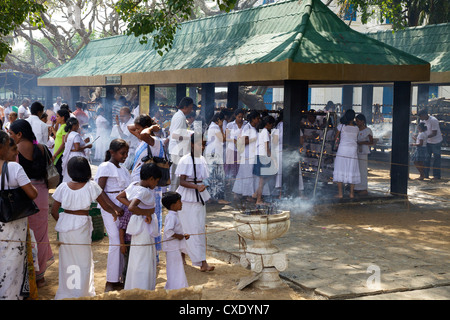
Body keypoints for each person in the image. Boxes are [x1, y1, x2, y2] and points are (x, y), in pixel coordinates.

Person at [51, 156, 119, 299]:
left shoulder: (63, 187)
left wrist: (64, 221)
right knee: (82, 260)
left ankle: (68, 292)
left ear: (69, 171)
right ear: (87, 171)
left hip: (65, 226)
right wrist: (114, 213)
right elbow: (105, 205)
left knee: (68, 260)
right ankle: (80, 293)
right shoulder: (91, 186)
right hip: (81, 226)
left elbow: (54, 210)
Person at [9, 119, 54, 287]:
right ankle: (40, 276)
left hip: (25, 197)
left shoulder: (14, 152)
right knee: (41, 236)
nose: (10, 136)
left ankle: (27, 276)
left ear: (19, 134)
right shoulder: (42, 148)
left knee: (27, 237)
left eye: (11, 134)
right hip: (42, 195)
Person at [0, 131, 38, 300]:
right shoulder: (14, 168)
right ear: (1, 148)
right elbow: (33, 194)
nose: (16, 152)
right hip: (14, 224)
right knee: (12, 265)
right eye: (12, 148)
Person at [116, 163, 162, 290]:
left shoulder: (133, 185)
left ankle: (133, 286)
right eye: (156, 181)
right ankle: (143, 288)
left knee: (137, 257)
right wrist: (145, 212)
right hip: (144, 226)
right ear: (151, 179)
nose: (156, 185)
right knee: (144, 258)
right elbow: (132, 207)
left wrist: (139, 210)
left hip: (137, 224)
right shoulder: (144, 191)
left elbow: (120, 196)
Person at [94, 139, 130, 292]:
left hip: (123, 208)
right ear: (112, 152)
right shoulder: (105, 167)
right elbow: (99, 191)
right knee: (116, 241)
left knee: (123, 241)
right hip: (110, 208)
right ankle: (111, 280)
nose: (125, 156)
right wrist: (113, 207)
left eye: (127, 153)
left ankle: (120, 277)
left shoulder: (123, 169)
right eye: (122, 153)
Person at [176, 133, 215, 272]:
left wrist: (202, 186)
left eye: (204, 144)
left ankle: (201, 260)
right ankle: (188, 258)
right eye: (200, 144)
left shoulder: (202, 159)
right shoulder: (186, 160)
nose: (202, 147)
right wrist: (197, 187)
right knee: (186, 227)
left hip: (199, 197)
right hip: (187, 198)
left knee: (198, 229)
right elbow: (182, 181)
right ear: (192, 145)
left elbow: (201, 179)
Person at [128, 115, 165, 258]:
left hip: (149, 186)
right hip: (141, 185)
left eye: (139, 129)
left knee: (149, 217)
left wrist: (150, 128)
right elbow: (130, 127)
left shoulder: (153, 141)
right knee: (141, 217)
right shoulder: (144, 138)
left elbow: (143, 134)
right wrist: (148, 125)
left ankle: (152, 254)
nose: (136, 132)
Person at [162, 191, 190, 290]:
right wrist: (178, 236)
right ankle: (177, 287)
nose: (181, 203)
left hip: (174, 247)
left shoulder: (174, 215)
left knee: (176, 267)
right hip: (172, 248)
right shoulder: (171, 217)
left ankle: (175, 286)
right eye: (179, 202)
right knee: (175, 268)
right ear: (173, 205)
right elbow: (168, 231)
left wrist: (182, 235)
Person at [232, 110, 260, 201]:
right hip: (247, 154)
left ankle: (237, 193)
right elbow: (243, 141)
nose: (259, 120)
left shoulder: (252, 127)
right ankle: (247, 195)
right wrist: (253, 140)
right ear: (253, 119)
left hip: (251, 154)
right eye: (257, 118)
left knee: (243, 173)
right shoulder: (247, 128)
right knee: (247, 174)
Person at [333, 109, 360, 199]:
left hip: (343, 149)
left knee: (340, 168)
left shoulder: (341, 126)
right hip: (353, 150)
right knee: (352, 169)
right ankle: (351, 193)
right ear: (353, 117)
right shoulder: (356, 128)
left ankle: (340, 193)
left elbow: (335, 137)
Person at [168, 97, 194, 191]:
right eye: (191, 107)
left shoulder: (179, 116)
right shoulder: (180, 117)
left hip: (177, 150)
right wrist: (189, 137)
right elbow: (175, 135)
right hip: (177, 150)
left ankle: (176, 195)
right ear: (186, 107)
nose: (191, 110)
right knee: (177, 175)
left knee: (177, 175)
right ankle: (173, 195)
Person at [204, 112, 229, 204]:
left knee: (212, 176)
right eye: (222, 120)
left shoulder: (211, 126)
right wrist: (221, 127)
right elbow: (223, 138)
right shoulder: (215, 127)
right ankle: (219, 198)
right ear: (219, 120)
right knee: (218, 176)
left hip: (211, 153)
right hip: (215, 154)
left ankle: (210, 197)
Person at [253, 115, 276, 205]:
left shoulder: (261, 131)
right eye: (272, 124)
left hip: (259, 156)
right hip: (263, 157)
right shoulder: (265, 132)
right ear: (268, 124)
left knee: (267, 176)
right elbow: (267, 149)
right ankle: (258, 200)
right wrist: (273, 158)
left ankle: (256, 194)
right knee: (262, 180)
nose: (272, 126)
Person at [61, 117, 92, 183]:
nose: (78, 126)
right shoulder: (76, 135)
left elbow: (72, 146)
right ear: (74, 125)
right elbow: (77, 148)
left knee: (69, 174)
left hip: (69, 156)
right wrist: (87, 146)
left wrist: (84, 142)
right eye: (77, 124)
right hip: (76, 157)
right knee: (78, 175)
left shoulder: (67, 134)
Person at [418, 109, 443, 180]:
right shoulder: (422, 120)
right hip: (428, 142)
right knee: (426, 158)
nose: (420, 118)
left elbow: (434, 133)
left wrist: (424, 137)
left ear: (425, 115)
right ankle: (425, 175)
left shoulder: (433, 120)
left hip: (436, 142)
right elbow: (421, 130)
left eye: (421, 116)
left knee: (436, 159)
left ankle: (436, 176)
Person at [355, 114, 374, 195]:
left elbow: (371, 142)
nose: (357, 122)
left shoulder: (368, 130)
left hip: (363, 152)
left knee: (362, 170)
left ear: (362, 121)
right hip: (355, 151)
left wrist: (362, 142)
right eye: (356, 121)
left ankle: (363, 188)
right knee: (356, 169)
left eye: (358, 121)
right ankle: (356, 187)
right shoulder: (356, 129)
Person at [51, 109, 70, 185]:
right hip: (57, 152)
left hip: (60, 154)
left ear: (63, 118)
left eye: (57, 116)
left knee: (60, 174)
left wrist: (55, 155)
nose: (56, 118)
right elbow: (58, 137)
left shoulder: (65, 127)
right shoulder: (62, 126)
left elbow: (63, 143)